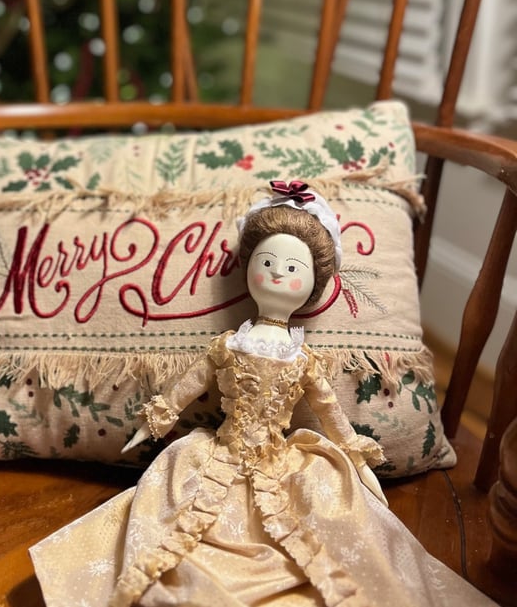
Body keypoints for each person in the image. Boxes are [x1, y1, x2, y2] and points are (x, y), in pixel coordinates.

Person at [30, 181, 496, 606]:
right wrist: (160, 417)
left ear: (313, 284)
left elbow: (330, 411)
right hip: (218, 451)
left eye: (291, 268)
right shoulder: (227, 346)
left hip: (282, 458)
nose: (276, 273)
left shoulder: (302, 360)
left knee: (320, 525)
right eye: (266, 263)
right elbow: (187, 387)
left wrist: (353, 453)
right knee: (175, 517)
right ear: (250, 268)